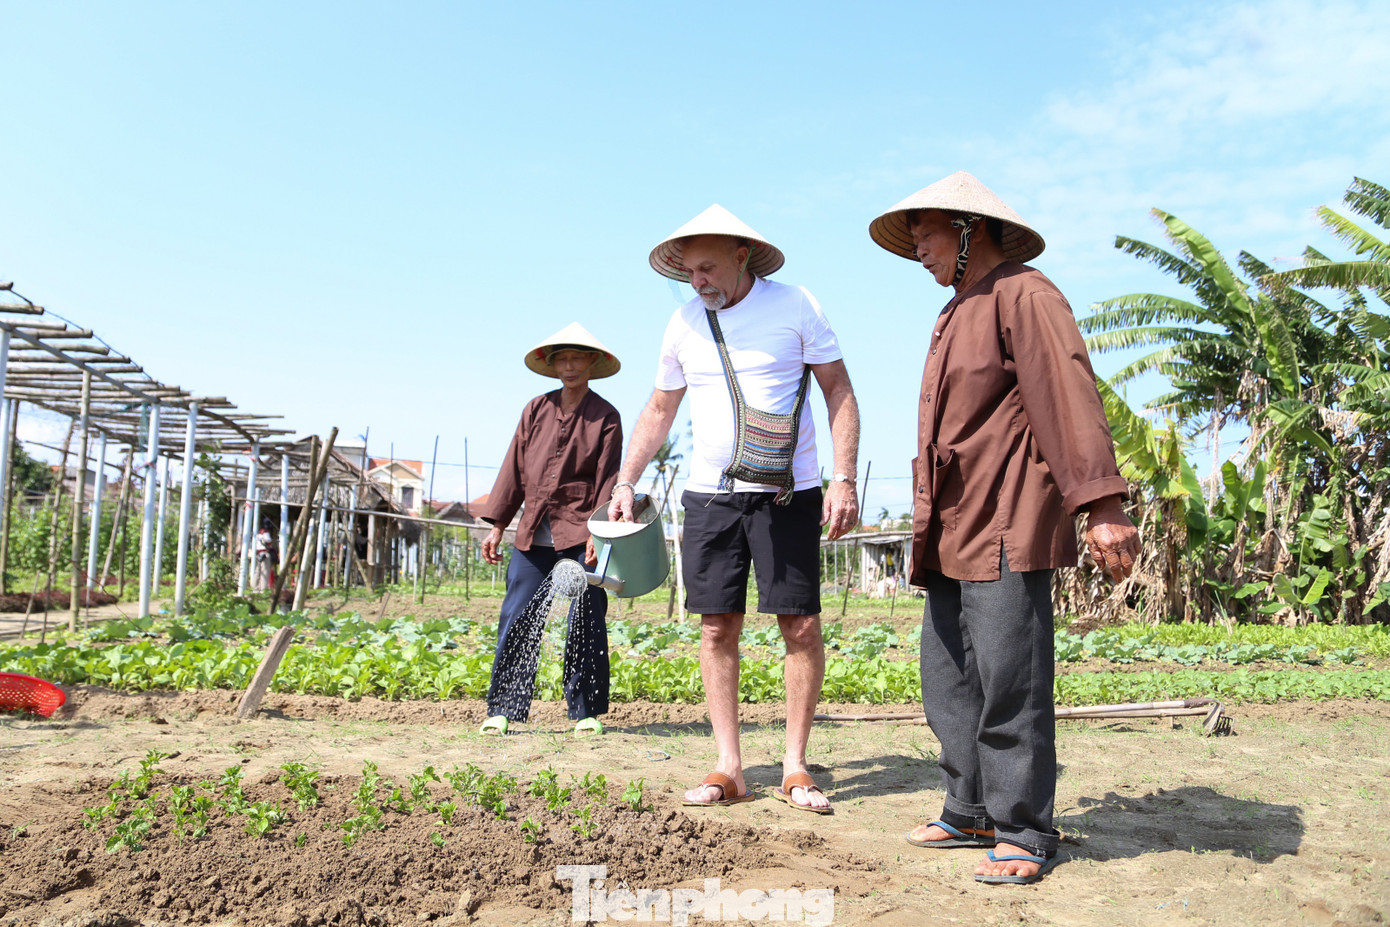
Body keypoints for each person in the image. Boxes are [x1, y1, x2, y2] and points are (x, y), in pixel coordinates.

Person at [868, 172, 1142, 884]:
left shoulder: (1026, 293)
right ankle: (971, 807)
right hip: (953, 520)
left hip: (1007, 515)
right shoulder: (958, 309)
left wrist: (1099, 502)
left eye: (926, 232)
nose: (918, 248)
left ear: (968, 228)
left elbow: (1066, 392)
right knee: (949, 673)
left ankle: (1024, 824)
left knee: (1010, 677)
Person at [609, 204, 860, 813]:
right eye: (689, 271)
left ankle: (796, 766)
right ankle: (730, 765)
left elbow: (839, 391)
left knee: (798, 623)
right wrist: (624, 481)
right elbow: (658, 409)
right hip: (710, 496)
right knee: (717, 625)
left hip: (787, 491)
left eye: (708, 267)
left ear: (742, 255)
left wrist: (844, 478)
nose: (698, 281)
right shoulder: (682, 324)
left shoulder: (796, 304)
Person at [479, 323, 624, 737]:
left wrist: (599, 534)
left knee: (586, 618)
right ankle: (504, 706)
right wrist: (498, 525)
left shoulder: (605, 417)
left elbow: (607, 479)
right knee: (517, 615)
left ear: (593, 363)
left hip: (582, 536)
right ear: (552, 363)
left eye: (578, 357)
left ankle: (586, 712)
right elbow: (513, 468)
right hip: (532, 535)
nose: (569, 365)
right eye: (562, 358)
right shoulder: (535, 409)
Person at [252, 519, 277, 592]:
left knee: (258, 571)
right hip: (265, 553)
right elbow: (268, 540)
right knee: (265, 571)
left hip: (259, 553)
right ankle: (263, 589)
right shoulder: (266, 532)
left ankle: (255, 587)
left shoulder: (258, 534)